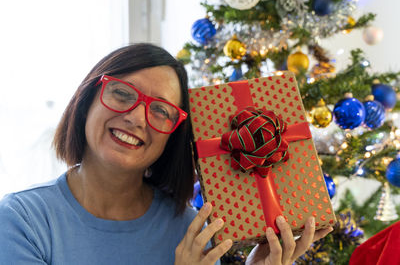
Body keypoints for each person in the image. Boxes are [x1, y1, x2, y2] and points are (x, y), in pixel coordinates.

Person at [0, 43, 332, 265]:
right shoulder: (23, 220)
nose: (135, 117)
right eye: (121, 93)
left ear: (173, 135)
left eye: (160, 110)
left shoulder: (192, 232)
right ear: (87, 100)